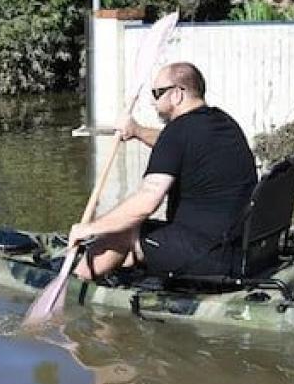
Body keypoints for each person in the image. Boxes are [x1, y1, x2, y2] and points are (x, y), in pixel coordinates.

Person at [68, 62, 257, 280]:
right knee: (129, 243)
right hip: (235, 248)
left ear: (177, 94)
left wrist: (90, 228)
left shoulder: (177, 133)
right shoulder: (223, 122)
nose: (152, 101)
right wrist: (137, 131)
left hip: (207, 255)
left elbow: (147, 202)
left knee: (124, 230)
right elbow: (174, 146)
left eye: (157, 94)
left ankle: (74, 283)